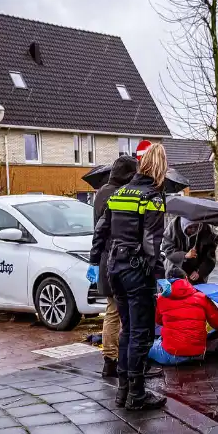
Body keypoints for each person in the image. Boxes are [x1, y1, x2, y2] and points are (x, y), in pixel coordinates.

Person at [90, 143, 170, 411]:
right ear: (160, 167)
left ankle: (122, 391)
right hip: (137, 271)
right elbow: (151, 242)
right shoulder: (153, 197)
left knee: (125, 329)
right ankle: (136, 394)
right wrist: (159, 275)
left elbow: (101, 231)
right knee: (141, 333)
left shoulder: (120, 193)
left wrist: (93, 261)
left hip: (115, 268)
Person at [88, 155, 138, 378]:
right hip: (114, 259)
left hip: (107, 259)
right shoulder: (115, 195)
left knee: (114, 310)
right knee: (115, 311)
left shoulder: (101, 192)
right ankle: (111, 359)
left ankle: (112, 358)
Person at [151, 269, 218, 365]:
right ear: (186, 279)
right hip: (197, 354)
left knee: (145, 347)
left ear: (167, 281)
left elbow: (159, 321)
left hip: (171, 354)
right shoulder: (202, 297)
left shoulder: (161, 299)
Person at [162, 216, 218, 284]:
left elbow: (210, 257)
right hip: (175, 269)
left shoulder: (207, 231)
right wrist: (184, 255)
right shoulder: (173, 227)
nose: (193, 230)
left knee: (196, 292)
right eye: (190, 227)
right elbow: (168, 250)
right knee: (176, 290)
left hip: (196, 272)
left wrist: (200, 272)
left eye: (196, 226)